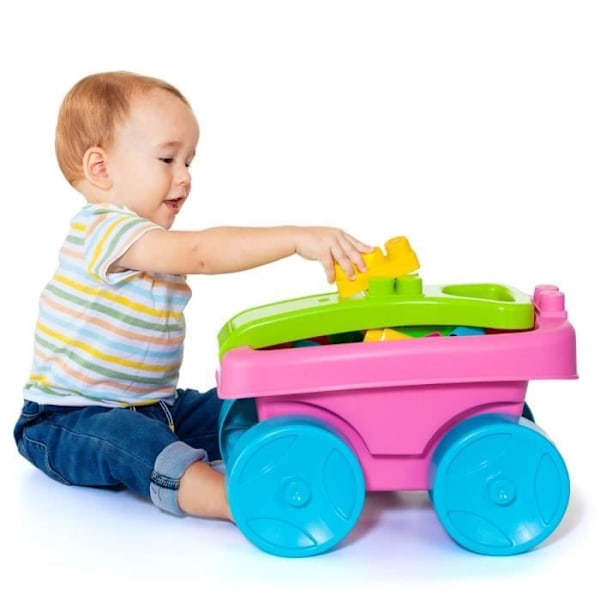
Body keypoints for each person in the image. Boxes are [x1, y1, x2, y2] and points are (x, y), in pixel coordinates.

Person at [14, 71, 372, 521]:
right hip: (68, 420)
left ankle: (325, 443)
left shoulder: (147, 240)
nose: (184, 177)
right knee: (133, 440)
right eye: (167, 159)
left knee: (238, 406)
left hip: (157, 406)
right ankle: (239, 500)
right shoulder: (103, 228)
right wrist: (296, 238)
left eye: (189, 162)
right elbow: (201, 252)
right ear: (100, 168)